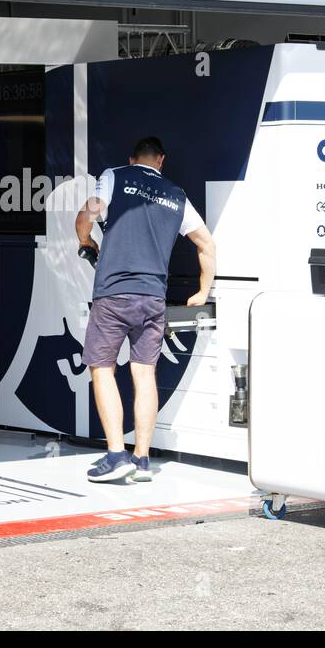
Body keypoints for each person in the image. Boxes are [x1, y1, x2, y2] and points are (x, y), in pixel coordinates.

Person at [74, 136, 216, 483]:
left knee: (102, 368)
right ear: (161, 161)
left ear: (132, 158)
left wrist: (85, 238)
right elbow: (207, 243)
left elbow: (88, 213)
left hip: (114, 293)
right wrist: (202, 291)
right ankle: (141, 460)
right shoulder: (176, 195)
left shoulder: (115, 176)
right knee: (144, 373)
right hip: (153, 297)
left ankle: (115, 455)